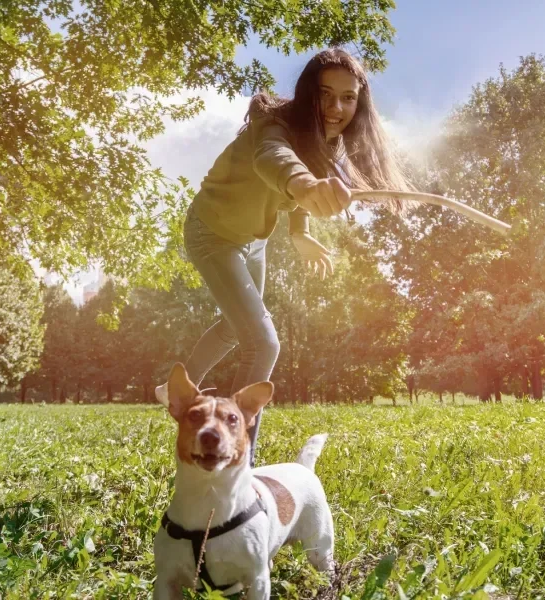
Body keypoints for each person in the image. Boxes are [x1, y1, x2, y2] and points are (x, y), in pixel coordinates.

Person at [155, 48, 412, 467]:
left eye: (349, 98)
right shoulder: (272, 127)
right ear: (307, 92)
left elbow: (292, 190)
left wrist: (301, 231)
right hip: (212, 233)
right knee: (263, 343)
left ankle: (172, 394)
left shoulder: (322, 142)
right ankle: (237, 464)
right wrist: (308, 188)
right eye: (326, 94)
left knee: (236, 328)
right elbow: (277, 163)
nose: (336, 108)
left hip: (253, 239)